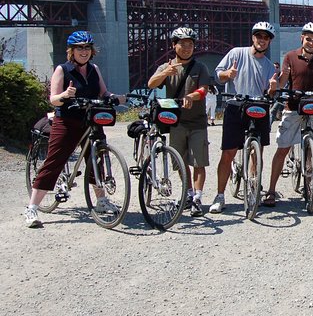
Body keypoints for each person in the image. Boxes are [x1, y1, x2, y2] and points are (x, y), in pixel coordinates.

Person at [24, 31, 127, 228]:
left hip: (90, 120)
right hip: (67, 122)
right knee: (54, 162)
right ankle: (32, 208)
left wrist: (118, 97)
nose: (84, 51)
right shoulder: (62, 70)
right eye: (80, 47)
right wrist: (65, 94)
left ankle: (101, 201)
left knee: (95, 160)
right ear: (71, 51)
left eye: (87, 48)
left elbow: (103, 92)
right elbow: (53, 99)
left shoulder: (93, 69)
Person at [264, 22, 313, 207]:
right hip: (293, 106)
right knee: (282, 149)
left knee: (311, 150)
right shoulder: (290, 56)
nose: (312, 43)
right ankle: (271, 191)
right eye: (309, 39)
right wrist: (278, 81)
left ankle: (309, 186)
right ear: (302, 38)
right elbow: (283, 83)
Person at [208, 22, 277, 214]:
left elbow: (270, 94)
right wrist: (227, 74)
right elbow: (218, 76)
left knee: (258, 153)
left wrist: (272, 89)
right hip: (235, 107)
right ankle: (220, 196)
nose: (262, 40)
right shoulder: (236, 53)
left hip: (258, 107)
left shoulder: (270, 67)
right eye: (259, 36)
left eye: (266, 38)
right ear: (253, 37)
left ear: (269, 41)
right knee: (228, 153)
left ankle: (254, 187)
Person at [148, 27, 211, 217]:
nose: (186, 48)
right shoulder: (167, 66)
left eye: (190, 44)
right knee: (180, 162)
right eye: (182, 44)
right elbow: (151, 84)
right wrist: (166, 72)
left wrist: (192, 95)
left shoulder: (200, 67)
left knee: (199, 161)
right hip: (176, 123)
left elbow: (204, 89)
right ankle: (188, 194)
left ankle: (198, 198)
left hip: (197, 122)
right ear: (173, 45)